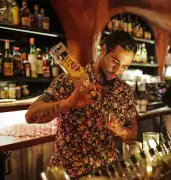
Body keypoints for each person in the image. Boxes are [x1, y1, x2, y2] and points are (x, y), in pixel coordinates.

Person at [25, 30, 138, 177]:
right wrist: (67, 104)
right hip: (70, 174)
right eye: (115, 61)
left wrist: (121, 131)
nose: (117, 70)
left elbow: (134, 131)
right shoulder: (70, 80)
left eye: (125, 66)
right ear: (103, 50)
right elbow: (30, 116)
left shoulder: (124, 91)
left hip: (108, 172)